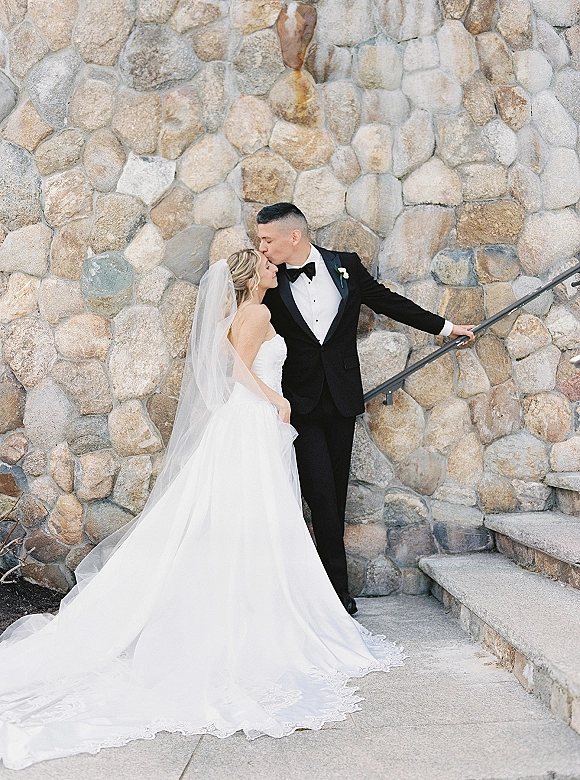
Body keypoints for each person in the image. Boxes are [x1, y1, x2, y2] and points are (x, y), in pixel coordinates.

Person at [0, 249, 404, 771]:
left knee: (239, 519)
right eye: (265, 266)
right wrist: (275, 402)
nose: (273, 269)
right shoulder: (257, 314)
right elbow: (238, 373)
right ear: (249, 278)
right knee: (254, 517)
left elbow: (227, 359)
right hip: (253, 419)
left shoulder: (244, 314)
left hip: (245, 422)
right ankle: (253, 614)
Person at [258, 203, 475, 616]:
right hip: (296, 405)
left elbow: (388, 301)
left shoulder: (344, 266)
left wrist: (446, 328)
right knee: (319, 496)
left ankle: (333, 593)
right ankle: (323, 596)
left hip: (340, 402)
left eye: (268, 239)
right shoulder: (268, 279)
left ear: (294, 236)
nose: (262, 248)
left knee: (335, 498)